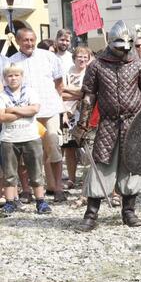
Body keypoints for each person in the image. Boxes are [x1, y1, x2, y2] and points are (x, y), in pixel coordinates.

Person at [73, 20, 141, 231]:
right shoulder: (96, 65)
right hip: (108, 123)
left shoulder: (139, 64)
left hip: (134, 122)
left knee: (131, 167)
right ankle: (91, 215)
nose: (124, 50)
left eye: (127, 45)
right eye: (120, 45)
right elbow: (88, 97)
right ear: (111, 42)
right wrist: (82, 124)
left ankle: (128, 212)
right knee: (101, 165)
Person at [9, 28, 66, 202]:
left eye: (32, 40)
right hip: (25, 114)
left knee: (54, 146)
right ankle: (27, 190)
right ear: (18, 41)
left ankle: (58, 187)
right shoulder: (11, 62)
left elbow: (59, 83)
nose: (29, 43)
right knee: (26, 152)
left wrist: (53, 101)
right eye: (25, 40)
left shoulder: (49, 57)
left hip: (49, 110)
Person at [0, 64, 51, 216]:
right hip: (9, 138)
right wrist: (24, 111)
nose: (13, 78)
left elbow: (35, 109)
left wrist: (13, 110)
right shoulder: (2, 96)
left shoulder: (30, 92)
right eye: (10, 76)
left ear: (22, 77)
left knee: (35, 171)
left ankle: (41, 201)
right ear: (5, 78)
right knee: (9, 173)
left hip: (30, 136)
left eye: (16, 75)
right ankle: (10, 203)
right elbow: (2, 117)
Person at [60, 46, 92, 189]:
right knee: (69, 148)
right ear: (74, 58)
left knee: (89, 147)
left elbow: (87, 92)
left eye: (85, 56)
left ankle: (89, 179)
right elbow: (60, 92)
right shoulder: (66, 72)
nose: (83, 59)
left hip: (85, 114)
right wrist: (79, 93)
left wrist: (72, 91)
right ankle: (71, 179)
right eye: (80, 56)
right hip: (67, 114)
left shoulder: (90, 72)